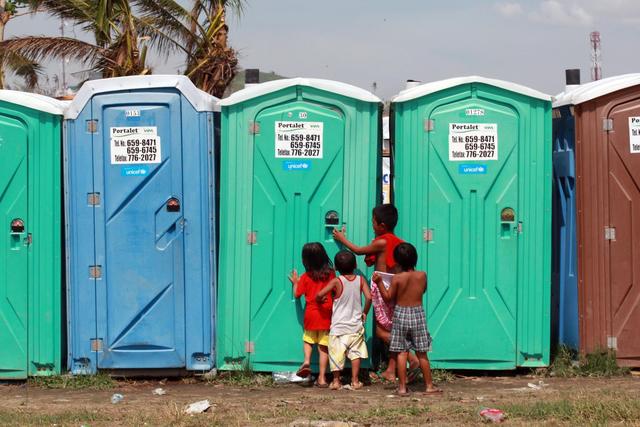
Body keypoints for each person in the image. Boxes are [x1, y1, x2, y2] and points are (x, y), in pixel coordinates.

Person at [332, 204, 419, 381]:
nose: (371, 225)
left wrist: (342, 239)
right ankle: (390, 370)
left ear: (382, 225)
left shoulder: (381, 242)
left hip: (382, 287)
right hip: (396, 286)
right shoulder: (399, 242)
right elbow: (374, 260)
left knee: (381, 332)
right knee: (393, 328)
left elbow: (357, 251)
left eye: (373, 222)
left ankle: (411, 358)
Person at [373, 243, 441, 396]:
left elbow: (388, 298)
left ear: (397, 262)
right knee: (422, 353)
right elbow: (423, 290)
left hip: (401, 314)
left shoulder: (397, 278)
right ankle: (429, 386)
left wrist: (378, 283)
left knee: (402, 352)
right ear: (415, 258)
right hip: (418, 314)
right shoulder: (422, 275)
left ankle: (402, 387)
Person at [316, 250, 372, 390]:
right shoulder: (360, 280)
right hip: (355, 326)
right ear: (355, 265)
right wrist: (364, 312)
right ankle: (355, 380)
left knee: (336, 354)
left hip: (338, 327)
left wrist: (321, 299)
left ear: (336, 268)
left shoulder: (336, 281)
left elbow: (320, 294)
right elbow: (369, 297)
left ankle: (336, 381)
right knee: (355, 354)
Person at [289, 242, 335, 387]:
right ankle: (322, 378)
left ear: (305, 260)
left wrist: (295, 282)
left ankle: (307, 360)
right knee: (323, 347)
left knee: (308, 339)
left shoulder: (305, 277)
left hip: (311, 314)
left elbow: (296, 294)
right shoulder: (330, 274)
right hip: (326, 315)